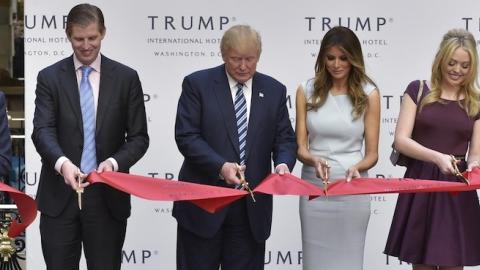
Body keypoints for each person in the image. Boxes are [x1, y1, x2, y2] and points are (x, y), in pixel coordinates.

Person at [31, 4, 149, 270]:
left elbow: (139, 137)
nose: (86, 46)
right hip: (59, 199)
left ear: (103, 33)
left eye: (92, 38)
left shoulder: (126, 78)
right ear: (68, 35)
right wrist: (63, 164)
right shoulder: (49, 78)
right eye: (79, 39)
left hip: (107, 198)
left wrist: (113, 164)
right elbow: (42, 131)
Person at [173, 24, 297, 270]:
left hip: (250, 210)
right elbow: (187, 136)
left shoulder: (274, 90)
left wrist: (282, 164)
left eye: (249, 59)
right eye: (235, 59)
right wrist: (221, 166)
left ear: (258, 56)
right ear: (223, 54)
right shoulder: (197, 84)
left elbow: (284, 138)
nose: (243, 66)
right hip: (204, 206)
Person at [384, 29, 480, 270]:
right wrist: (436, 158)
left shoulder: (476, 102)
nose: (457, 70)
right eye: (452, 62)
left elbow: (475, 153)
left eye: (465, 65)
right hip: (421, 183)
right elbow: (401, 140)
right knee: (422, 264)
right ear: (441, 60)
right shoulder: (417, 89)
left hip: (456, 188)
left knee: (453, 263)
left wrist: (475, 167)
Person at [295, 26, 380, 270]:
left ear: (354, 58)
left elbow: (372, 154)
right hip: (314, 186)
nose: (336, 64)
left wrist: (356, 167)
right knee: (315, 263)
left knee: (349, 262)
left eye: (343, 58)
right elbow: (301, 148)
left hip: (351, 185)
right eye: (330, 57)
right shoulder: (305, 90)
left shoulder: (369, 93)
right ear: (322, 57)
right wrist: (313, 160)